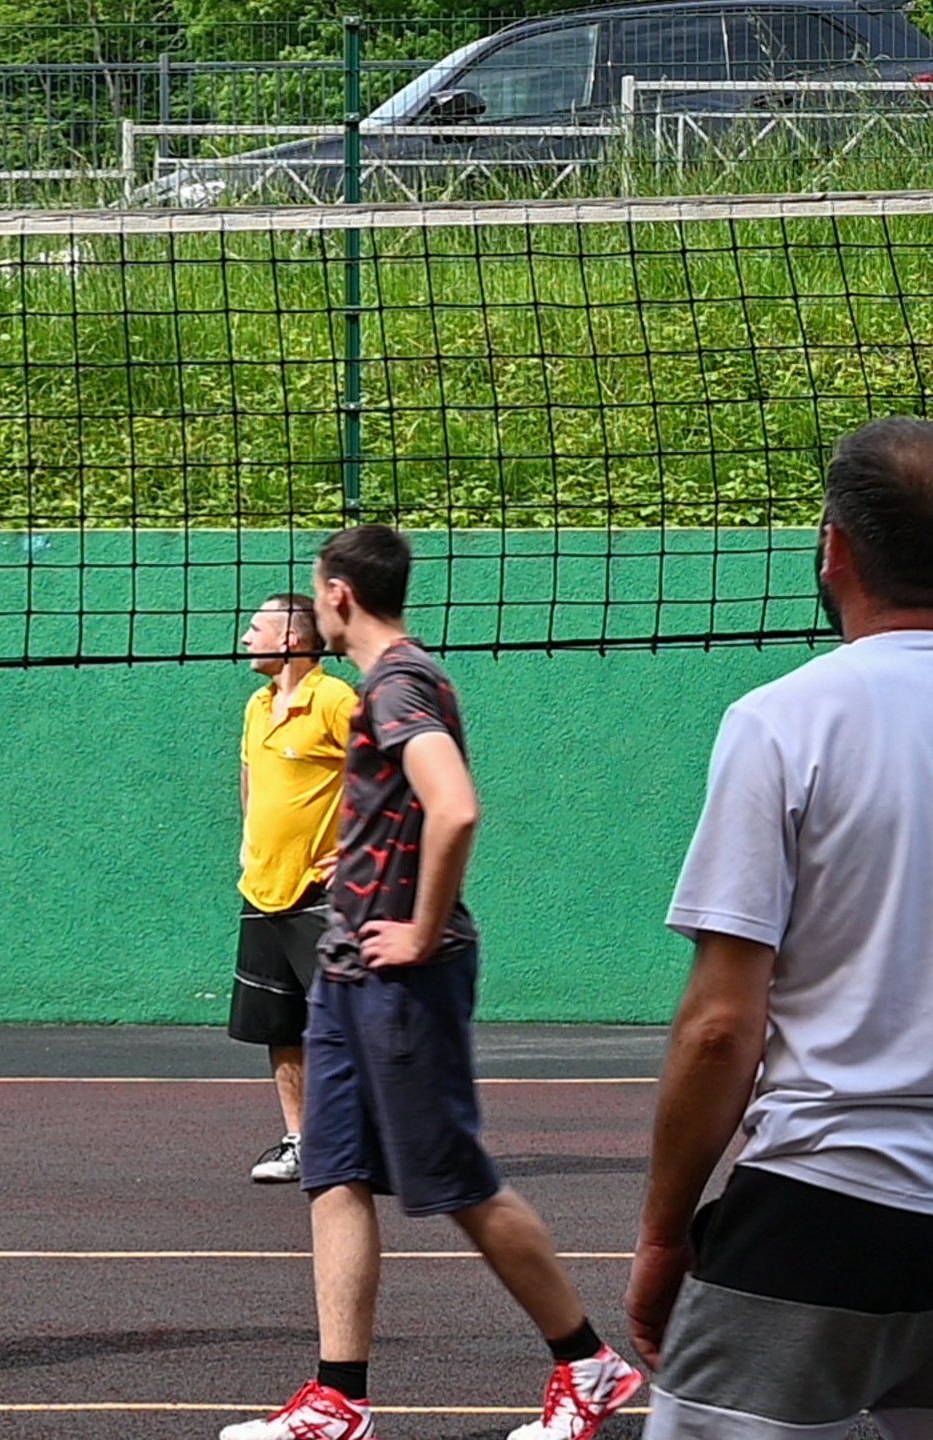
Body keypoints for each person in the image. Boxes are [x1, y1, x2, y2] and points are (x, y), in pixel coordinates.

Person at [226, 524, 641, 1440]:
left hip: (401, 976)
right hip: (345, 966)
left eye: (311, 589)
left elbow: (455, 805)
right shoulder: (388, 680)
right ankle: (339, 1398)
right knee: (333, 1174)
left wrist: (419, 927)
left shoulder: (400, 682)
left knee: (456, 1181)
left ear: (336, 595)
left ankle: (587, 1364)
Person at [628, 418, 933, 1438]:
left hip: (831, 1198)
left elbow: (722, 1027)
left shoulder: (785, 720)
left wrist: (665, 1236)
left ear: (835, 549)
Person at [231, 594, 356, 1185]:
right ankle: (303, 1141)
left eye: (255, 628)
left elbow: (394, 771)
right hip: (263, 888)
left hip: (323, 894)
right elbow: (252, 774)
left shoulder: (336, 700)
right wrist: (249, 840)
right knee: (281, 1028)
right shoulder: (257, 705)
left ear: (290, 639)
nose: (245, 638)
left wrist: (359, 849)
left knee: (353, 1022)